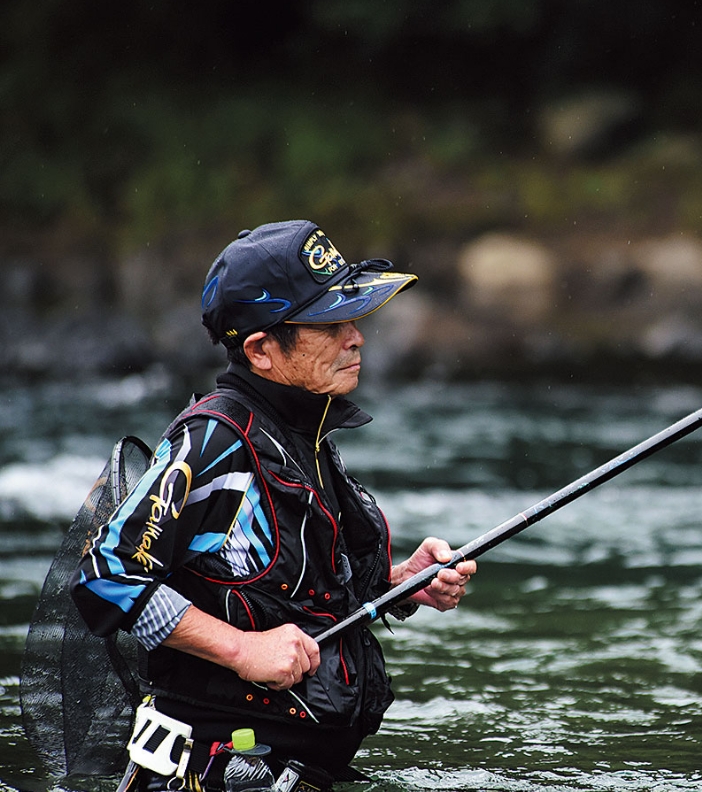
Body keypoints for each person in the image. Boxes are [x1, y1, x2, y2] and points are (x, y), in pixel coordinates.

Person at [71, 220, 477, 791]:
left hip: (301, 769)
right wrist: (241, 650)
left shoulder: (303, 433)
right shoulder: (214, 441)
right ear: (262, 350)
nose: (356, 338)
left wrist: (403, 581)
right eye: (329, 325)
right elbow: (104, 577)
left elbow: (292, 590)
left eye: (353, 320)